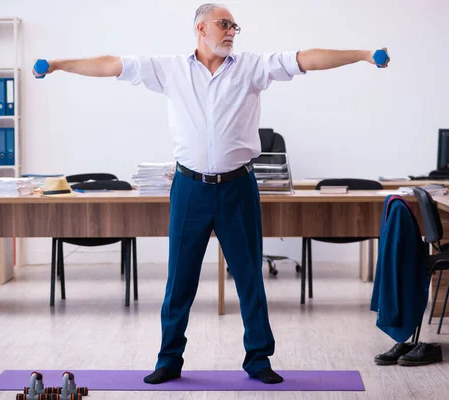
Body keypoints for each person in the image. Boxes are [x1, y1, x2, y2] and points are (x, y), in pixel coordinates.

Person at [34, 3, 390, 385]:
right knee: (180, 279)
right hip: (189, 189)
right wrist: (56, 64)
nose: (232, 32)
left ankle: (258, 359)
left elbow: (308, 59)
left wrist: (364, 55)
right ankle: (169, 360)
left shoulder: (254, 67)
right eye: (224, 24)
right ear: (200, 28)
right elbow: (110, 65)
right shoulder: (168, 69)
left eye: (235, 26)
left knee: (249, 277)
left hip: (238, 188)